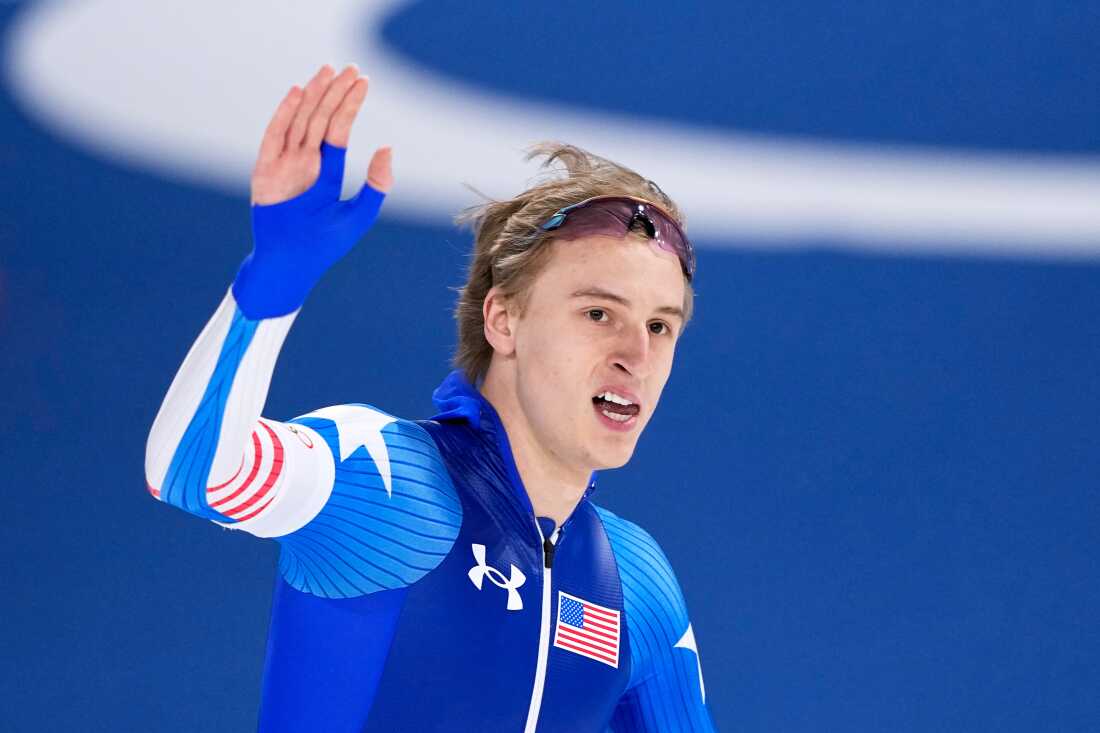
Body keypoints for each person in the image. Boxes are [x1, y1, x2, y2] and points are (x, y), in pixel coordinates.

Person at [145, 62, 716, 732]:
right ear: (503, 319)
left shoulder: (636, 585)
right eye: (598, 313)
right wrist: (273, 282)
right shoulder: (385, 482)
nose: (636, 356)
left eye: (659, 325)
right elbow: (187, 470)